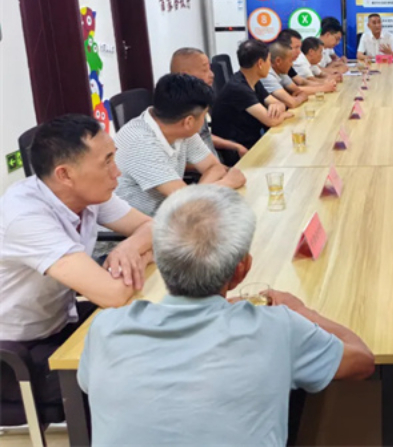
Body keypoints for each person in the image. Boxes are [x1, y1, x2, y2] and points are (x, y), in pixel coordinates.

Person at [78, 184, 375, 446]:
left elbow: (90, 385)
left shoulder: (106, 327)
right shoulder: (278, 327)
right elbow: (361, 361)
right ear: (242, 270)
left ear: (160, 263)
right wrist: (301, 311)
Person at [0, 115, 152, 407]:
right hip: (14, 356)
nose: (117, 172)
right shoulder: (25, 216)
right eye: (106, 161)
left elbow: (153, 228)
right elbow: (112, 294)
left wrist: (131, 247)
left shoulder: (88, 192)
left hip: (59, 322)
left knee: (147, 333)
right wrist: (141, 255)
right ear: (65, 175)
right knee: (130, 371)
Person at [115, 74, 246, 216]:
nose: (203, 121)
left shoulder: (180, 128)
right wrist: (228, 183)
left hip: (174, 212)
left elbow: (214, 167)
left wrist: (195, 195)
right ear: (189, 121)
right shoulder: (140, 142)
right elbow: (185, 202)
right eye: (204, 116)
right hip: (142, 224)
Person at [212, 39, 291, 165]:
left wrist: (277, 106)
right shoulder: (238, 88)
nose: (270, 65)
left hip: (253, 141)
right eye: (268, 61)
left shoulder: (253, 81)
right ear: (260, 63)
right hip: (238, 151)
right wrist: (284, 114)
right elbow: (271, 121)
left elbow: (279, 103)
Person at [170, 47, 248, 160]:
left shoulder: (196, 101)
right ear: (185, 75)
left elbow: (204, 136)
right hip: (206, 169)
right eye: (204, 70)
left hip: (216, 164)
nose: (212, 75)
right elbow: (180, 161)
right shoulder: (176, 111)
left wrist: (235, 146)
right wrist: (221, 168)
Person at [261, 41, 310, 109]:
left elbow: (297, 90)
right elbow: (292, 103)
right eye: (290, 61)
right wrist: (302, 97)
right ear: (278, 61)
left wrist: (298, 96)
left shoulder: (281, 71)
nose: (292, 64)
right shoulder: (267, 75)